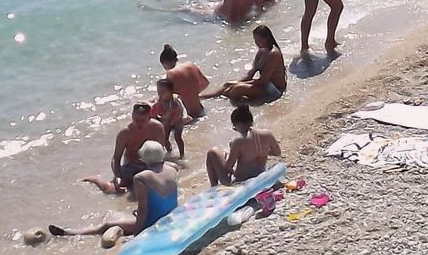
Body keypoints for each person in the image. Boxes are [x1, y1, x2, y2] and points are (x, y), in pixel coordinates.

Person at [51, 141, 180, 240]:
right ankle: (68, 232)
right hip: (170, 216)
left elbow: (143, 210)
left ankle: (68, 233)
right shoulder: (172, 169)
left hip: (154, 221)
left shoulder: (141, 177)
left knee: (107, 225)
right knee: (131, 213)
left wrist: (137, 235)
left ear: (144, 157)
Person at [204, 25, 288, 104]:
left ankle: (244, 104)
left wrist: (238, 85)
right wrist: (237, 82)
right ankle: (204, 97)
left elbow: (263, 81)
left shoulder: (274, 54)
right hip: (264, 85)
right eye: (255, 41)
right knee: (227, 87)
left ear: (267, 38)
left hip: (274, 89)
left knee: (236, 90)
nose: (257, 43)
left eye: (260, 40)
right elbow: (250, 73)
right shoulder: (261, 51)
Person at [206, 104, 281, 186]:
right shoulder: (267, 133)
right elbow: (277, 152)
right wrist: (263, 152)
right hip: (260, 172)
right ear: (251, 121)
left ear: (236, 125)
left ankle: (214, 186)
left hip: (242, 181)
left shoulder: (238, 142)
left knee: (212, 152)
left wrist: (226, 157)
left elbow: (229, 167)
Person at [160, 43, 210, 118]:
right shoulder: (190, 65)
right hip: (201, 110)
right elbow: (205, 83)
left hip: (188, 116)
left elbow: (165, 98)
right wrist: (193, 93)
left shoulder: (171, 73)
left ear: (165, 63)